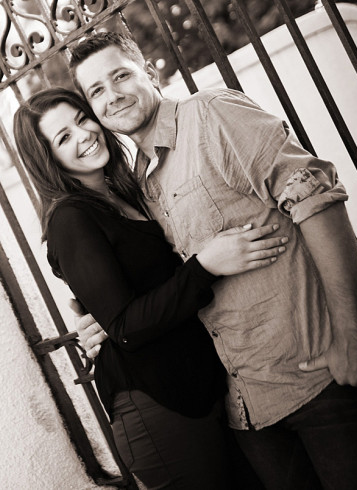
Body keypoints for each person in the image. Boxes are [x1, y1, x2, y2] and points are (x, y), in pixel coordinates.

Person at [65, 31, 357, 490]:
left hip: (322, 382)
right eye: (96, 90)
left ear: (149, 73)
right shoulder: (140, 181)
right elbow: (166, 288)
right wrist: (108, 321)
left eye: (120, 76)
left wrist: (353, 334)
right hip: (247, 411)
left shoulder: (212, 115)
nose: (112, 96)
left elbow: (315, 195)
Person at [14, 87, 285, 489]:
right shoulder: (71, 218)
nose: (84, 134)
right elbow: (124, 325)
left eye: (81, 119)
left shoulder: (128, 190)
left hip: (208, 388)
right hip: (160, 407)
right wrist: (207, 265)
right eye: (63, 138)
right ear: (47, 159)